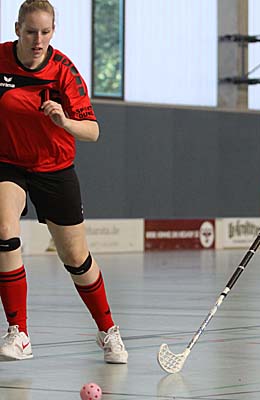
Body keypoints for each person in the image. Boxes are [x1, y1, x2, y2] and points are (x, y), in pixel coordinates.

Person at [0, 0, 127, 363]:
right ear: (17, 30)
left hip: (54, 168)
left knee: (76, 258)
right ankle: (19, 332)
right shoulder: (0, 60)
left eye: (45, 32)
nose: (38, 40)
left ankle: (108, 330)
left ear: (53, 31)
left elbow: (93, 131)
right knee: (4, 232)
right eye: (30, 32)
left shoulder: (64, 72)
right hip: (8, 164)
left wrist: (64, 121)